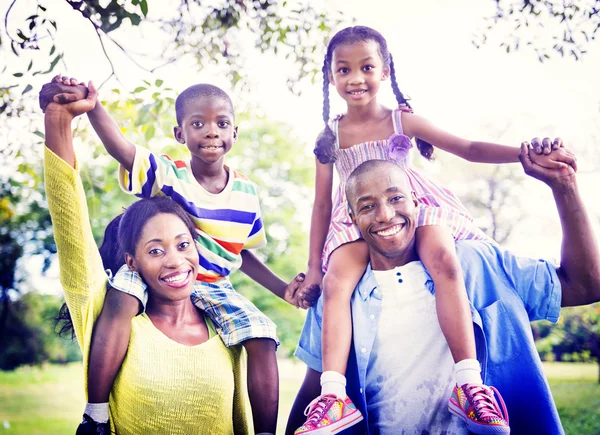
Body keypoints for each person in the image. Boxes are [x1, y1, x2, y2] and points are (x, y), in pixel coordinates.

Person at [294, 25, 575, 434]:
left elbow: (469, 148)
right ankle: (334, 395)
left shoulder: (401, 120)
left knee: (445, 260)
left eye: (367, 67)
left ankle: (468, 383)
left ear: (385, 71)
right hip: (358, 216)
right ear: (331, 76)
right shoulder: (330, 136)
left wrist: (523, 154)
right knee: (339, 284)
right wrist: (315, 269)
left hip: (412, 204)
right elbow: (322, 204)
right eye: (344, 70)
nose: (356, 78)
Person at [39, 77, 319, 435]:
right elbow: (123, 150)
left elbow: (240, 250)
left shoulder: (247, 191)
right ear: (180, 133)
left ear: (235, 131)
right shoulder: (171, 175)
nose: (211, 132)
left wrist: (282, 290)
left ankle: (265, 431)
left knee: (264, 335)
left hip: (215, 284)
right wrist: (94, 107)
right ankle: (95, 413)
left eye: (221, 123)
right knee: (121, 299)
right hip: (151, 274)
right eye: (197, 124)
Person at [287, 148, 600, 435]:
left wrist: (565, 186)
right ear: (353, 219)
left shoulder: (479, 263)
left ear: (417, 202)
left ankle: (471, 390)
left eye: (396, 199)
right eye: (368, 207)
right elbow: (311, 388)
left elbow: (586, 285)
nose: (384, 215)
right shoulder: (337, 291)